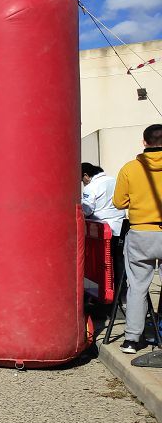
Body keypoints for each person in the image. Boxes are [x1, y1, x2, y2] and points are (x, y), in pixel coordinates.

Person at [113, 124, 162, 353]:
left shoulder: (130, 168)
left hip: (141, 233)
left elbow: (119, 203)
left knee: (138, 287)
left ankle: (132, 339)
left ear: (144, 142)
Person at [82, 162, 126, 298]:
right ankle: (122, 296)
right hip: (121, 227)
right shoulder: (114, 180)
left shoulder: (91, 187)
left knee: (103, 267)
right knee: (119, 264)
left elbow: (87, 210)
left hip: (102, 232)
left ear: (86, 176)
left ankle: (105, 297)